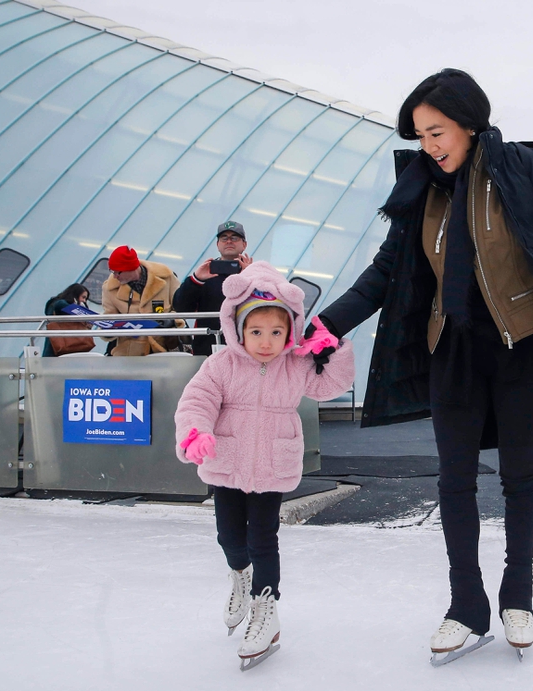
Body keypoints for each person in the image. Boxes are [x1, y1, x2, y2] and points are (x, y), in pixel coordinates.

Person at [310, 69, 533, 659]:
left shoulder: (523, 169)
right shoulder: (422, 190)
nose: (430, 145)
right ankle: (467, 604)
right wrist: (325, 325)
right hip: (453, 348)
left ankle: (519, 595)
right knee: (454, 479)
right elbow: (384, 273)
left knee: (519, 474)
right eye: (420, 135)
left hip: (527, 344)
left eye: (437, 131)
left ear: (469, 121)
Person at [174, 261, 354, 668]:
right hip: (228, 463)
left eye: (277, 332)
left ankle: (266, 608)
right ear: (238, 329)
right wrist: (194, 432)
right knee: (230, 539)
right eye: (256, 332)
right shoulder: (221, 365)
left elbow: (330, 386)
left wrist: (335, 350)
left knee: (263, 539)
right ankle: (241, 575)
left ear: (289, 330)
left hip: (272, 464)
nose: (267, 342)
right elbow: (197, 401)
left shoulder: (295, 365)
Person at [172, 220, 253, 355]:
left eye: (234, 238)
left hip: (247, 349)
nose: (229, 241)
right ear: (218, 244)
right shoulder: (204, 275)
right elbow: (181, 308)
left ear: (244, 244)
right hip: (208, 350)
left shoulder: (257, 274)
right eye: (224, 238)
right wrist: (196, 279)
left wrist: (252, 275)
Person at [100, 245, 180, 356]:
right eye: (113, 271)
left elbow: (181, 306)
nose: (115, 277)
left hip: (163, 347)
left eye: (118, 272)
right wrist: (107, 330)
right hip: (130, 353)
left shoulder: (166, 276)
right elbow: (110, 316)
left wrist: (171, 321)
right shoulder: (109, 288)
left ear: (131, 268)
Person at [42, 283, 90, 357]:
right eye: (83, 297)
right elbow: (59, 304)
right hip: (57, 348)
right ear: (75, 295)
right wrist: (80, 310)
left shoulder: (58, 304)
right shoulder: (59, 303)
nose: (84, 301)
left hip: (61, 347)